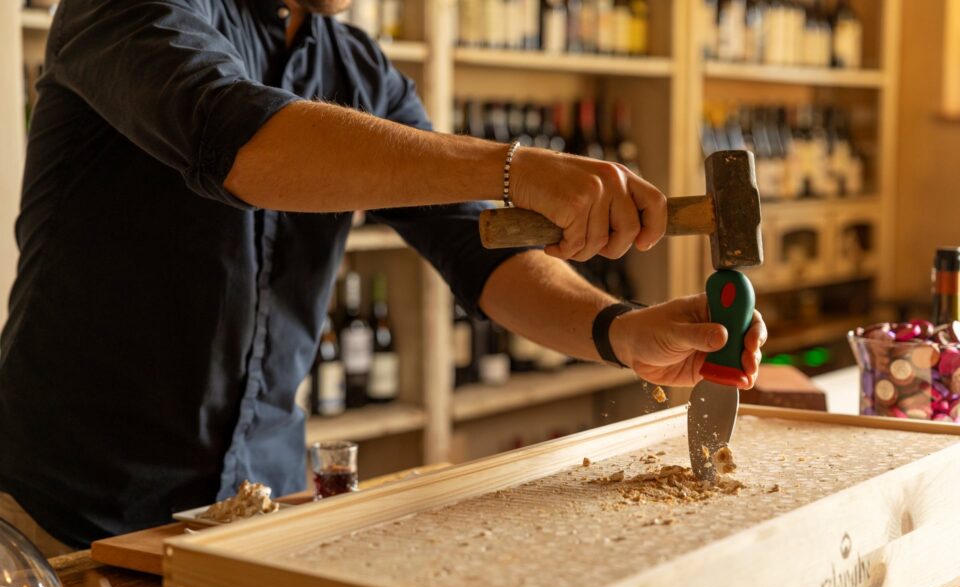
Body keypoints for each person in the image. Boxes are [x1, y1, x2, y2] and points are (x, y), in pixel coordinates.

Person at [0, 0, 766, 555]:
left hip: (258, 513)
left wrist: (621, 329)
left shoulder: (361, 69)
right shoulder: (129, 8)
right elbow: (236, 142)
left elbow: (480, 250)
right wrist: (512, 168)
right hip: (72, 519)